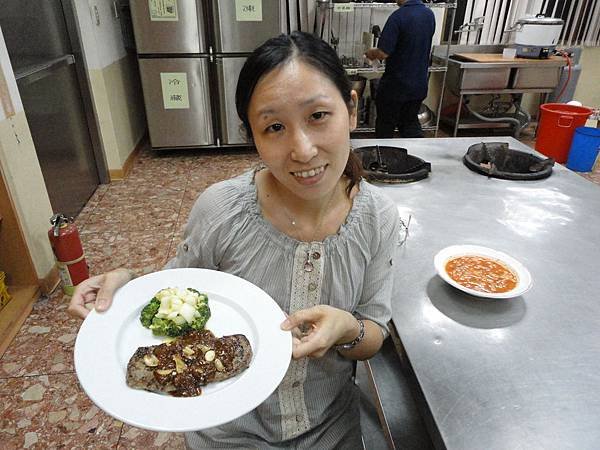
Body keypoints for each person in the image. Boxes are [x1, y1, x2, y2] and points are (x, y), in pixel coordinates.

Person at [69, 31, 401, 449]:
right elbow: (179, 293)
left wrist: (348, 329)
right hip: (228, 432)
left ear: (351, 109)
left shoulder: (378, 218)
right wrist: (129, 285)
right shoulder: (221, 210)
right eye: (274, 127)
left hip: (330, 426)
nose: (302, 150)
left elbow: (374, 332)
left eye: (318, 116)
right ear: (253, 136)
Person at [365, 0, 435, 138]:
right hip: (419, 85)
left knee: (385, 125)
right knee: (409, 123)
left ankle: (384, 157)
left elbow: (383, 53)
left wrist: (370, 53)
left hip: (396, 86)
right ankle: (416, 157)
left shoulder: (398, 17)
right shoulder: (429, 15)